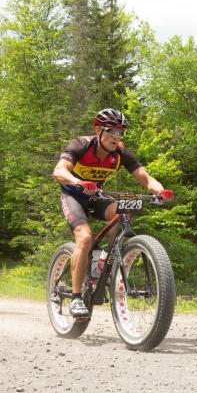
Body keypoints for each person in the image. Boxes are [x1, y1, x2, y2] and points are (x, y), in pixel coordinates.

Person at [51, 108, 165, 318]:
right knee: (85, 239)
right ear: (98, 130)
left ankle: (103, 262)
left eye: (120, 132)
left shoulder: (120, 153)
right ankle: (76, 297)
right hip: (73, 196)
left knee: (123, 213)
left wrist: (160, 190)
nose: (116, 137)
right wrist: (78, 182)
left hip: (96, 196)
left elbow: (145, 177)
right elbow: (59, 171)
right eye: (111, 131)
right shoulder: (81, 144)